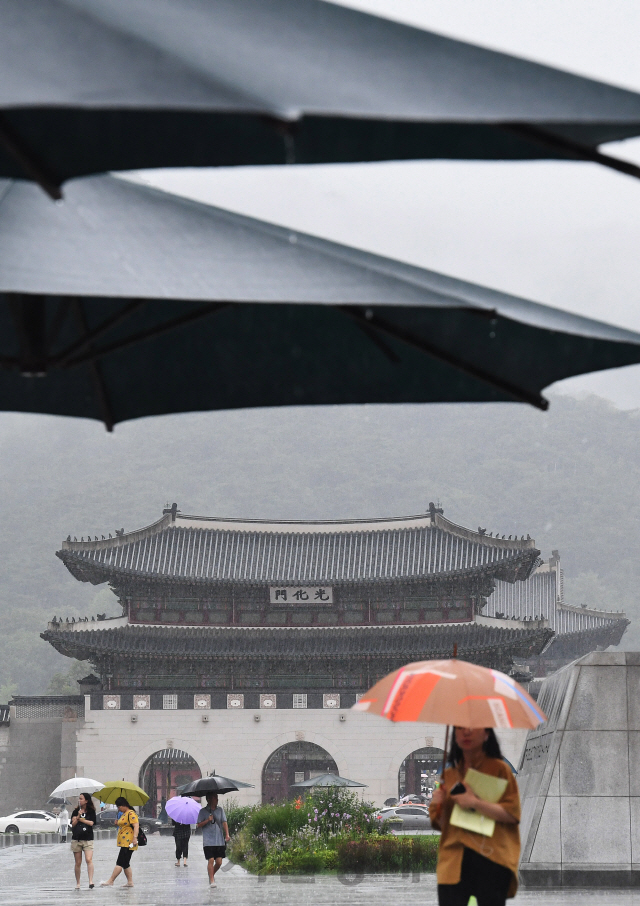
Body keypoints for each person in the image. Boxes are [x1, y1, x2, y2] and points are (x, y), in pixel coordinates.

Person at [429, 727, 520, 906]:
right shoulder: (449, 775)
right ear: (454, 734)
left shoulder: (500, 770)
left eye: (474, 727)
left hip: (491, 859)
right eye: (460, 728)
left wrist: (475, 803)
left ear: (487, 734)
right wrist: (438, 803)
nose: (467, 732)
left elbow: (512, 814)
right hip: (453, 862)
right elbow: (441, 825)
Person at [99, 797, 139, 888]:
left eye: (119, 806)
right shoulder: (125, 814)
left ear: (124, 805)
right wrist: (117, 823)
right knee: (125, 863)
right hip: (124, 842)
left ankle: (111, 880)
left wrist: (135, 838)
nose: (118, 809)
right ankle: (130, 882)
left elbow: (136, 826)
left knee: (120, 862)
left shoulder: (131, 813)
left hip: (129, 842)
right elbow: (125, 824)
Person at [196, 793, 230, 888]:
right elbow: (198, 825)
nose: (217, 799)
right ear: (209, 799)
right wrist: (207, 820)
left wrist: (227, 834)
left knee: (219, 862)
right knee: (210, 859)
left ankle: (211, 874)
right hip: (208, 840)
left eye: (217, 798)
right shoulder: (203, 811)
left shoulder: (220, 810)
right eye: (215, 798)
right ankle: (212, 880)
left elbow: (224, 822)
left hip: (219, 840)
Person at [70, 793, 96, 889]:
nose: (79, 800)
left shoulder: (91, 811)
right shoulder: (75, 811)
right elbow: (73, 824)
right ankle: (78, 883)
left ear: (86, 800)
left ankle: (90, 881)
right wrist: (78, 816)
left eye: (81, 799)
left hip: (88, 839)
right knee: (78, 862)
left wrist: (81, 819)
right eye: (79, 799)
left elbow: (91, 823)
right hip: (76, 839)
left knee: (89, 859)